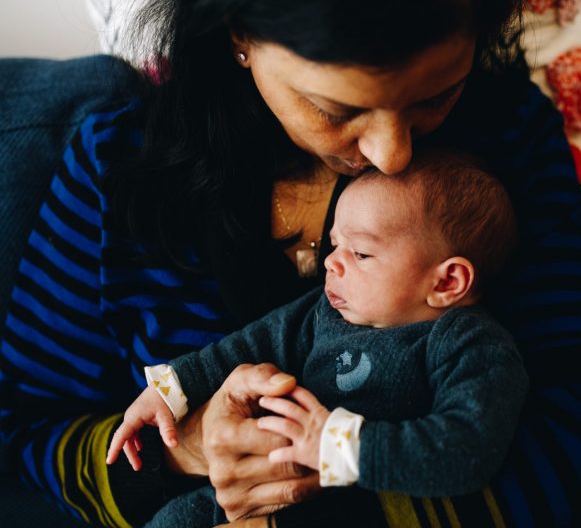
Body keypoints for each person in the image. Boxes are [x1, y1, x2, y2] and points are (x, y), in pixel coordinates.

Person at [0, 0, 581, 527]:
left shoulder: (510, 140)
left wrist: (322, 505)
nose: (392, 154)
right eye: (337, 111)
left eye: (437, 96)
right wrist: (185, 451)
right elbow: (25, 428)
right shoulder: (116, 167)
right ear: (240, 34)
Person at [106, 151, 527, 525]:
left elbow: (466, 448)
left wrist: (337, 445)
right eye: (334, 245)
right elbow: (248, 346)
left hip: (354, 504)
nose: (331, 263)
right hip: (252, 488)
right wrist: (170, 389)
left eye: (360, 253)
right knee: (173, 519)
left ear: (448, 281)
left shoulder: (468, 342)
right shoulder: (324, 310)